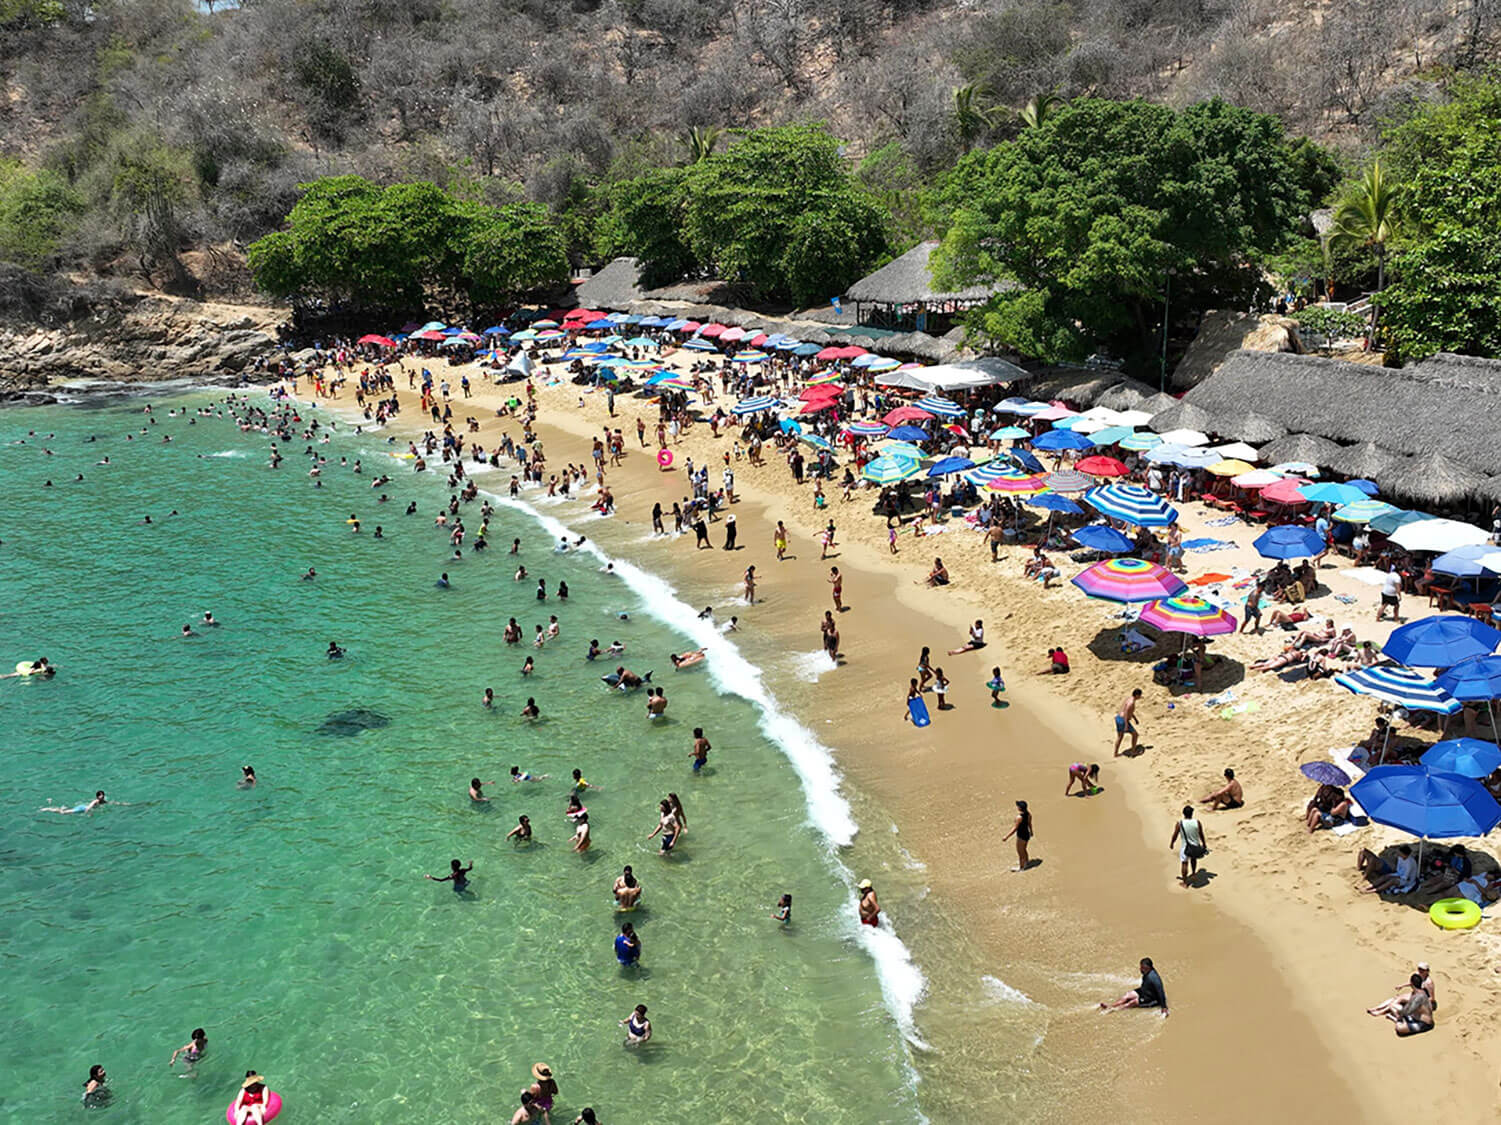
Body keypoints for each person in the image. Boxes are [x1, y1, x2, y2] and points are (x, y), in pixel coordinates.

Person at [1099, 957, 1169, 1017]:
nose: (1140, 969)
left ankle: (1114, 1010)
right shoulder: (1146, 972)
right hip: (1144, 991)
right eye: (1141, 967)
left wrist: (1164, 1007)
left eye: (1142, 968)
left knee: (1132, 1002)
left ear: (1148, 967)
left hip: (1151, 998)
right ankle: (1110, 1006)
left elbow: (1161, 991)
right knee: (1127, 995)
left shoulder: (1154, 978)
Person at [1170, 805, 1207, 886]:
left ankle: (1185, 882)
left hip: (1185, 847)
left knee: (1184, 863)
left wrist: (1172, 843)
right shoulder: (1197, 822)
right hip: (1195, 846)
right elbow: (1201, 834)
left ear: (1183, 813)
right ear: (1192, 813)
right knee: (1193, 860)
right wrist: (1204, 844)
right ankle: (1193, 873)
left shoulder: (1180, 823)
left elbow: (1175, 835)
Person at [1002, 799, 1033, 871]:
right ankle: (1026, 861)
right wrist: (1031, 831)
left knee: (1020, 852)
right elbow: (1029, 824)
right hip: (1026, 834)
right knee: (1024, 849)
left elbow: (1014, 829)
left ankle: (1021, 867)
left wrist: (1006, 837)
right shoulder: (1029, 814)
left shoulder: (1019, 817)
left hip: (1021, 836)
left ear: (1020, 808)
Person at [1114, 689, 1141, 756]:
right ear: (1137, 695)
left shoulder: (1129, 699)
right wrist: (1126, 725)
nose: (1140, 697)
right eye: (1140, 695)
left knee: (1120, 737)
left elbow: (1129, 711)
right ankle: (1133, 752)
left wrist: (1135, 719)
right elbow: (1126, 713)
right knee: (1135, 735)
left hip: (1118, 718)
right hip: (1123, 720)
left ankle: (1115, 753)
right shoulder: (1131, 703)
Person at [41, 789, 106, 815]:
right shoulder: (95, 801)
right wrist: (88, 813)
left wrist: (115, 803)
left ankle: (62, 808)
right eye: (101, 796)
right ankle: (48, 809)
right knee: (63, 813)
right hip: (82, 808)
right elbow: (89, 807)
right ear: (97, 797)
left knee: (65, 811)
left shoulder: (102, 801)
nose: (102, 797)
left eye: (103, 796)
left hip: (83, 807)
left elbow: (108, 802)